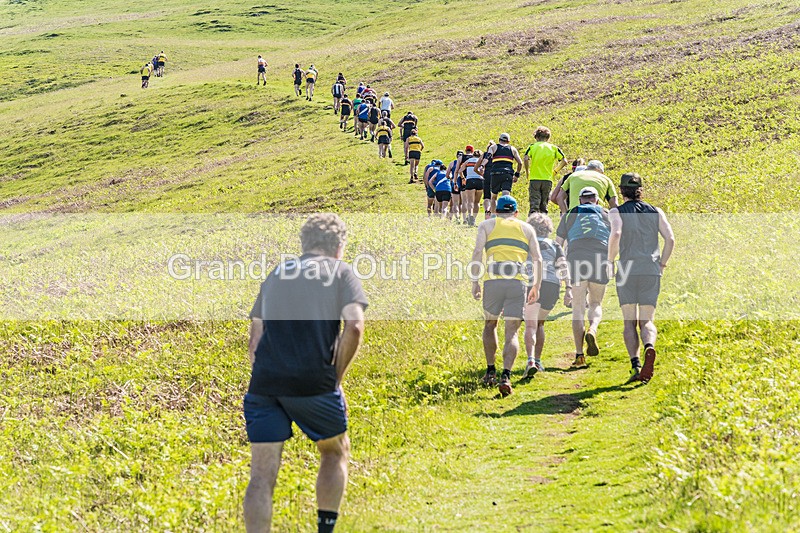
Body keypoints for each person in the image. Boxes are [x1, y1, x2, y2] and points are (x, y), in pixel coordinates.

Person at [244, 214, 367, 533]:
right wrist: (335, 379)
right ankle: (325, 528)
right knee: (334, 451)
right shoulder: (341, 272)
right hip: (314, 382)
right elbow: (354, 327)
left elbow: (255, 341)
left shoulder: (276, 273)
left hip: (264, 383)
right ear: (339, 246)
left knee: (261, 476)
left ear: (303, 244)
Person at [470, 196, 542, 397]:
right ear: (516, 213)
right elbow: (538, 258)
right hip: (517, 282)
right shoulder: (527, 229)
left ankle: (490, 371)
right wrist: (536, 285)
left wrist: (475, 281)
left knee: (490, 324)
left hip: (492, 280)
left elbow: (477, 252)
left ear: (496, 211)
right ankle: (506, 376)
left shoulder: (486, 225)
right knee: (512, 331)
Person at [608, 173, 675, 383]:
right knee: (646, 320)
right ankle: (650, 346)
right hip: (650, 269)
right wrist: (662, 263)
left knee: (629, 322)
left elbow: (617, 234)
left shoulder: (616, 211)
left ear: (621, 190)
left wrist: (610, 261)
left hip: (627, 269)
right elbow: (670, 239)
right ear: (641, 190)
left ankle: (635, 365)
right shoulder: (656, 211)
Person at [556, 187, 611, 368]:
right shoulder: (605, 213)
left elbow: (558, 244)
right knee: (595, 303)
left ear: (580, 200)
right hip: (599, 258)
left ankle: (579, 355)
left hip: (576, 258)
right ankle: (593, 329)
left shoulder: (570, 214)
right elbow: (616, 238)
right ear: (596, 200)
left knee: (578, 308)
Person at [522, 213, 572, 378]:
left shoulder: (526, 244)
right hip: (552, 285)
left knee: (530, 325)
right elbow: (563, 267)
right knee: (540, 324)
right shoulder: (555, 245)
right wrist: (569, 288)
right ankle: (538, 360)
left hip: (531, 284)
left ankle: (530, 360)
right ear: (548, 229)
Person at [523, 126, 566, 215]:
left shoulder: (532, 147)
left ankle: (532, 223)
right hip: (547, 178)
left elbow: (526, 158)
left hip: (534, 178)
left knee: (534, 204)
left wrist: (527, 172)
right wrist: (555, 171)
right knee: (544, 205)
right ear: (548, 138)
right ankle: (543, 224)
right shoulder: (553, 148)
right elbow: (564, 161)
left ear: (537, 137)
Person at [477, 133, 523, 216]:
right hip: (507, 174)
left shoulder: (493, 147)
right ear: (508, 141)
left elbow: (487, 157)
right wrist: (517, 175)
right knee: (506, 195)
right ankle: (506, 215)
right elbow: (520, 163)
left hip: (495, 174)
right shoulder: (512, 149)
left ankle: (494, 216)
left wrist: (482, 165)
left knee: (493, 197)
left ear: (499, 140)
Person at [456, 146, 483, 226]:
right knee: (477, 202)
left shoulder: (468, 161)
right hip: (480, 180)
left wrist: (463, 178)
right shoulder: (481, 161)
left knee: (470, 201)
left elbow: (460, 171)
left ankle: (469, 215)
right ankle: (473, 218)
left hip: (470, 180)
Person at [447, 151, 464, 223]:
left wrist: (451, 178)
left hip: (455, 183)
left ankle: (457, 218)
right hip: (463, 183)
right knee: (462, 203)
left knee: (455, 203)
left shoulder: (452, 163)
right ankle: (461, 217)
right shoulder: (465, 163)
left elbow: (447, 175)